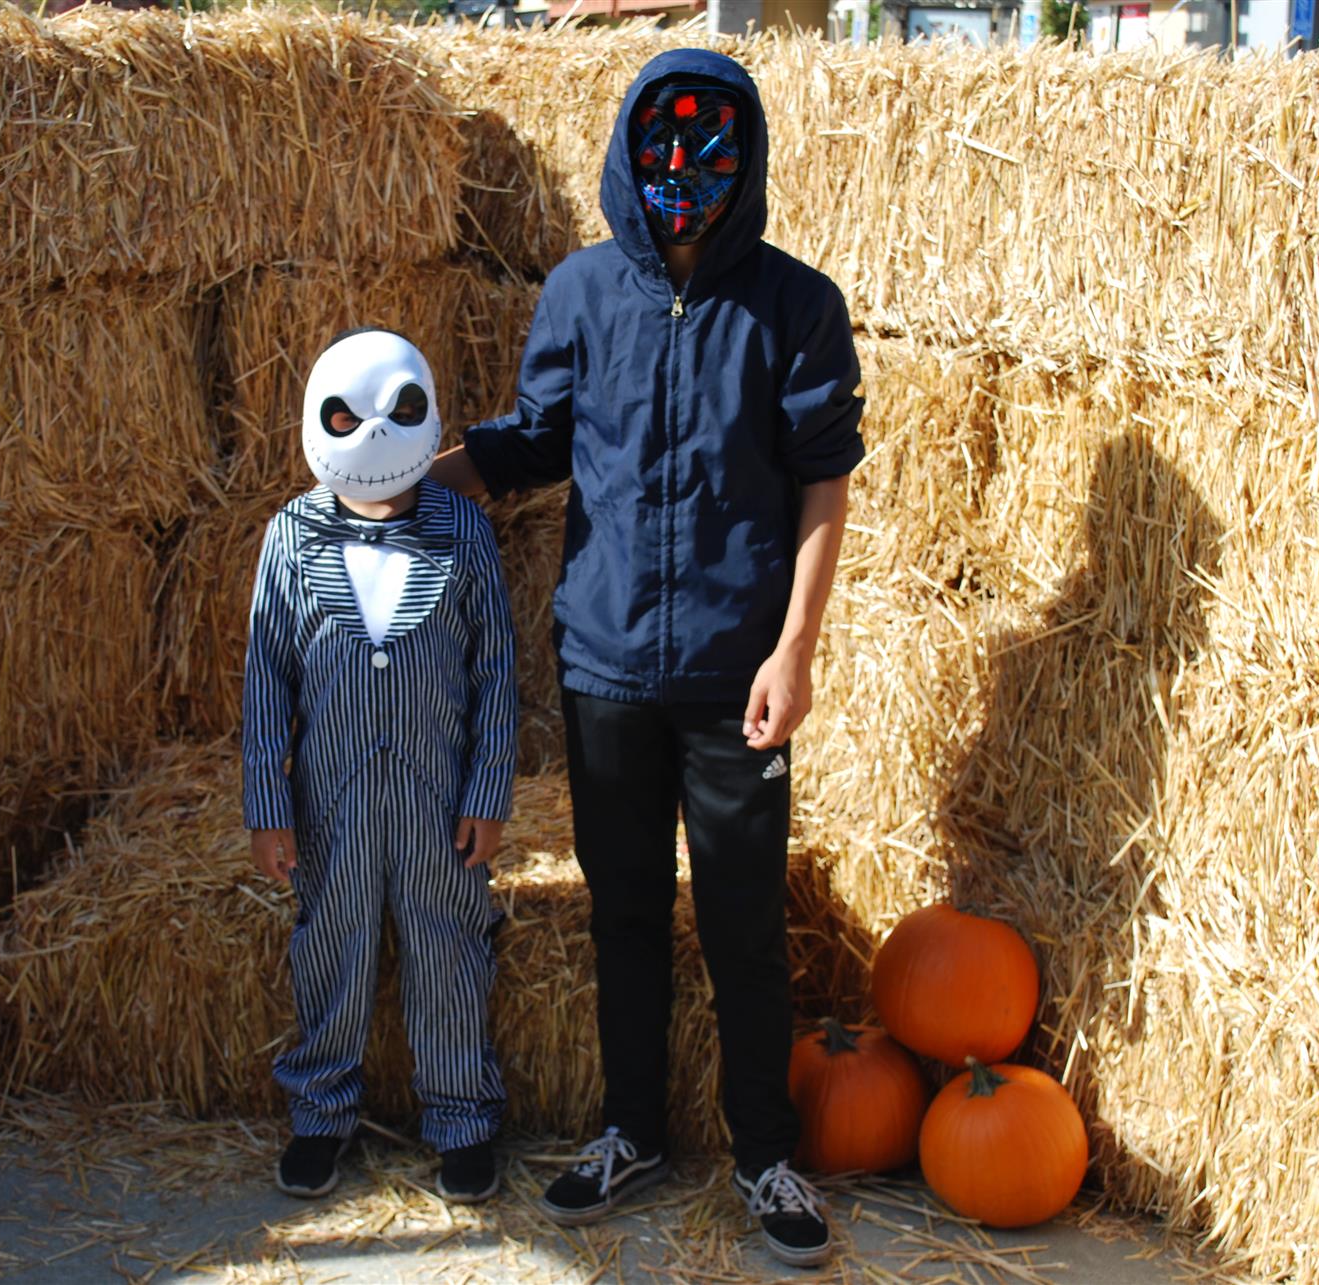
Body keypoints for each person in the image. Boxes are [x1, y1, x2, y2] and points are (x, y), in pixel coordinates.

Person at [427, 48, 862, 1268]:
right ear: (627, 152)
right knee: (623, 913)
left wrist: (796, 650)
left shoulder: (794, 306)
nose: (687, 177)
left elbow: (824, 481)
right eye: (663, 150)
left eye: (712, 153)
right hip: (605, 667)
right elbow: (533, 445)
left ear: (748, 160)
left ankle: (765, 1152)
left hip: (736, 677)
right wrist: (395, 490)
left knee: (740, 922)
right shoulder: (579, 293)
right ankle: (630, 1131)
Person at [243, 328, 518, 1206]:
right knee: (332, 937)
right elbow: (265, 681)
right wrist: (268, 806)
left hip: (438, 798)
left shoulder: (463, 532)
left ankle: (463, 1119)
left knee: (447, 944)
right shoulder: (289, 538)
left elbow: (495, 673)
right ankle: (321, 1113)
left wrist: (488, 791)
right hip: (332, 799)